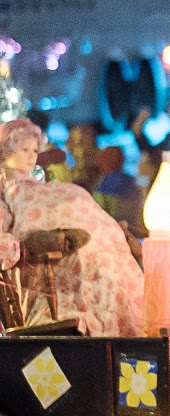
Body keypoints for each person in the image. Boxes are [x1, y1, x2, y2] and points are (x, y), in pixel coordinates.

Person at [0, 118, 144, 335]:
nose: (31, 156)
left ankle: (124, 325)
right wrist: (25, 246)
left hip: (78, 238)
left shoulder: (39, 184)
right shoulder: (5, 188)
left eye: (35, 150)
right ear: (6, 151)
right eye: (24, 150)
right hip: (47, 260)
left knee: (110, 257)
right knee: (95, 264)